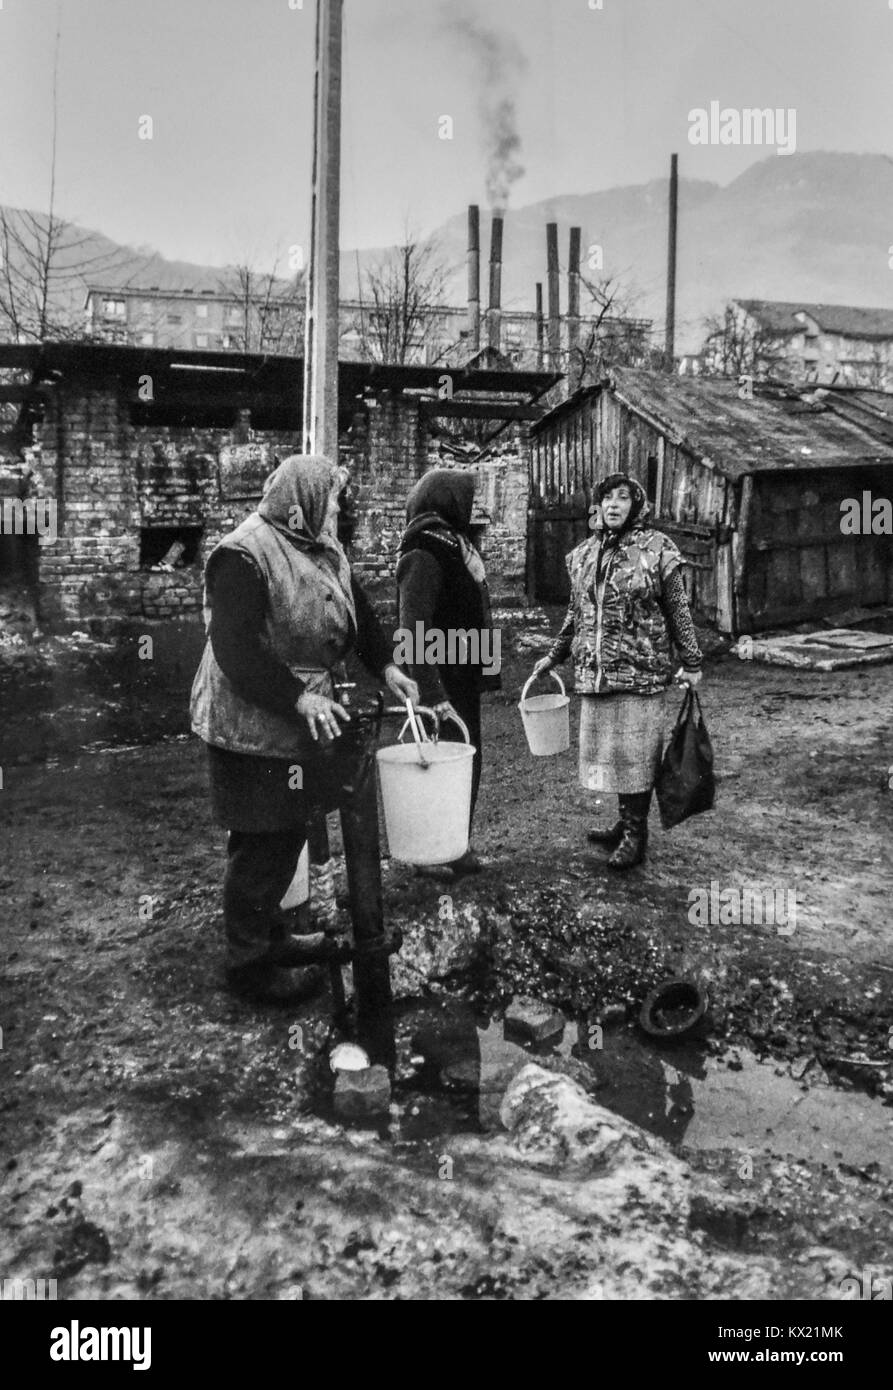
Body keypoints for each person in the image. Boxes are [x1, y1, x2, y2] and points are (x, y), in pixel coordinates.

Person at [190, 454, 418, 1004]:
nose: (339, 506)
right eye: (333, 497)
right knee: (261, 838)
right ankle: (249, 966)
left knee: (283, 827)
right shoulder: (244, 554)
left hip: (291, 714)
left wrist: (386, 667)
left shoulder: (320, 543)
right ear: (305, 500)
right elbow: (234, 650)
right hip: (247, 717)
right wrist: (297, 698)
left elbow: (357, 611)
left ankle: (271, 938)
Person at [533, 472, 703, 870]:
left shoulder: (658, 550)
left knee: (636, 756)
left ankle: (635, 834)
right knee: (610, 756)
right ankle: (624, 822)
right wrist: (555, 655)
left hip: (640, 673)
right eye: (607, 498)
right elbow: (576, 613)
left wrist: (692, 661)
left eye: (622, 498)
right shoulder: (584, 555)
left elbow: (678, 609)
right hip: (596, 673)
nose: (613, 505)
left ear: (636, 504)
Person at [395, 469, 500, 880]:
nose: (471, 508)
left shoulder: (454, 544)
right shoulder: (423, 549)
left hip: (460, 675)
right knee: (445, 767)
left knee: (463, 763)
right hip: (441, 682)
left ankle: (453, 845)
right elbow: (412, 626)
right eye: (466, 499)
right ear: (446, 501)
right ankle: (436, 851)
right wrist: (431, 691)